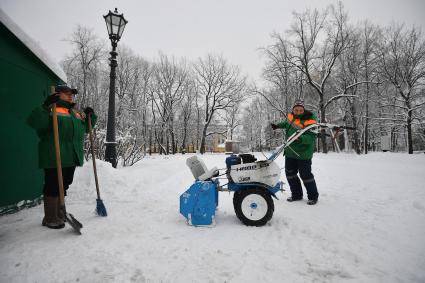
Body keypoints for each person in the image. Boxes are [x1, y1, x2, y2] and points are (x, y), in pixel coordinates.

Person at [27, 85, 97, 229]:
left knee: (64, 184)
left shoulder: (74, 113)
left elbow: (86, 128)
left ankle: (60, 213)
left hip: (71, 155)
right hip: (54, 154)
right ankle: (50, 217)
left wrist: (91, 116)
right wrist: (45, 105)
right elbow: (34, 122)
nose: (71, 95)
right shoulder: (50, 110)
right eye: (67, 93)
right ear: (57, 94)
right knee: (53, 185)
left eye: (72, 93)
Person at [271, 100, 319, 205]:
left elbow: (312, 137)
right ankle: (297, 194)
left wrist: (300, 138)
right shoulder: (291, 117)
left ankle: (313, 196)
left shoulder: (310, 120)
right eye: (296, 110)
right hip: (290, 152)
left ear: (303, 110)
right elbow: (286, 123)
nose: (298, 112)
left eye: (300, 110)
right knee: (290, 174)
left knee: (305, 175)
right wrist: (277, 125)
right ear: (293, 110)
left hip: (303, 153)